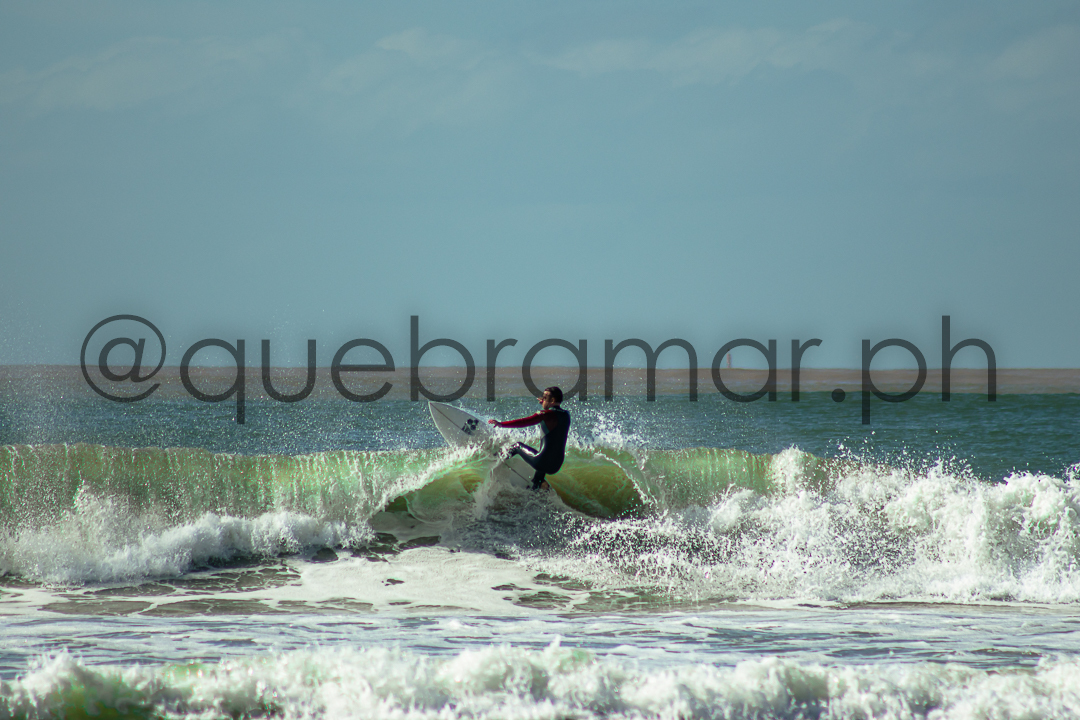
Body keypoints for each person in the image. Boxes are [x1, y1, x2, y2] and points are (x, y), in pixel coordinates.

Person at [488, 386, 570, 490]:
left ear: (552, 400)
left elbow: (525, 422)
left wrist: (501, 424)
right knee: (545, 456)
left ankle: (495, 459)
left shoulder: (545, 415)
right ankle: (536, 486)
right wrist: (546, 402)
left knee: (517, 446)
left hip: (541, 462)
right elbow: (553, 414)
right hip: (556, 466)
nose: (542, 399)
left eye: (545, 397)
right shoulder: (566, 415)